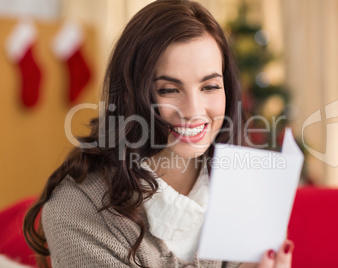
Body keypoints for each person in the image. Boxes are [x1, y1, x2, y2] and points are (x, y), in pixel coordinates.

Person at [23, 0, 294, 267]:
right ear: (130, 96)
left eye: (210, 86)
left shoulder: (245, 187)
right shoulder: (77, 211)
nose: (194, 111)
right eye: (168, 90)